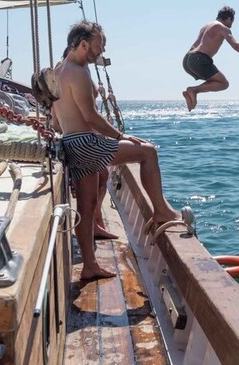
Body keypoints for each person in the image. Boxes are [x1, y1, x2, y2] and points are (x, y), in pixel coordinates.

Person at [54, 20, 178, 281]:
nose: (101, 51)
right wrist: (121, 136)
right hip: (86, 143)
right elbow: (90, 116)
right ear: (84, 44)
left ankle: (90, 265)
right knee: (147, 152)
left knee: (85, 208)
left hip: (71, 143)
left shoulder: (60, 69)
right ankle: (161, 211)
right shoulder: (79, 71)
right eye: (99, 46)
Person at [182, 6, 239, 111]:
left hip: (187, 60)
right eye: (232, 21)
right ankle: (194, 90)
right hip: (199, 59)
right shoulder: (222, 28)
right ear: (229, 18)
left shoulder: (206, 26)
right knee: (223, 84)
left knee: (214, 81)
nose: (232, 25)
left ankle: (192, 94)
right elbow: (236, 45)